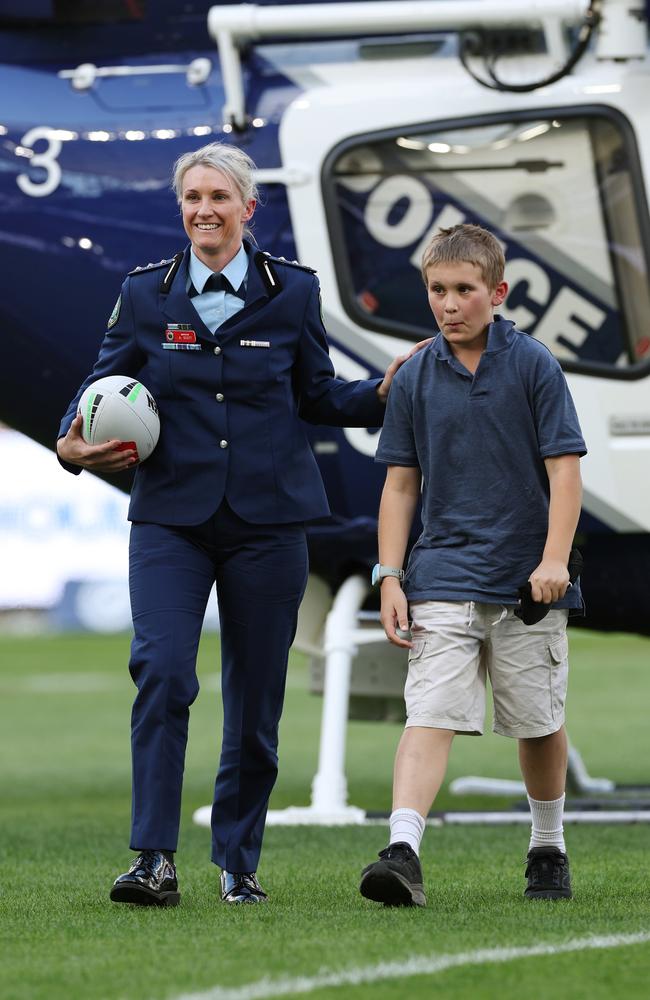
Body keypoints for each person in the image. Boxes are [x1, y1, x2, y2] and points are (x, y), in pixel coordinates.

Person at [57, 141, 426, 907]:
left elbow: (319, 393)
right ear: (182, 208)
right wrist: (72, 446)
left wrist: (385, 391)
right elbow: (100, 387)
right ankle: (153, 860)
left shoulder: (292, 292)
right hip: (171, 520)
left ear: (246, 209)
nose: (203, 210)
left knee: (256, 701)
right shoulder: (146, 294)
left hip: (270, 522)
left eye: (218, 197)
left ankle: (238, 862)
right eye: (191, 198)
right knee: (161, 671)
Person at [359, 223, 586, 908]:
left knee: (537, 723)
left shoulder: (534, 365)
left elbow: (566, 473)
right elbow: (400, 486)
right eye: (437, 290)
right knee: (428, 712)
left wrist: (554, 562)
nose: (450, 303)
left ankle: (548, 846)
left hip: (527, 585)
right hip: (441, 578)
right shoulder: (413, 377)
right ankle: (402, 851)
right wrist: (389, 575)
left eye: (464, 290)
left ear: (497, 291)